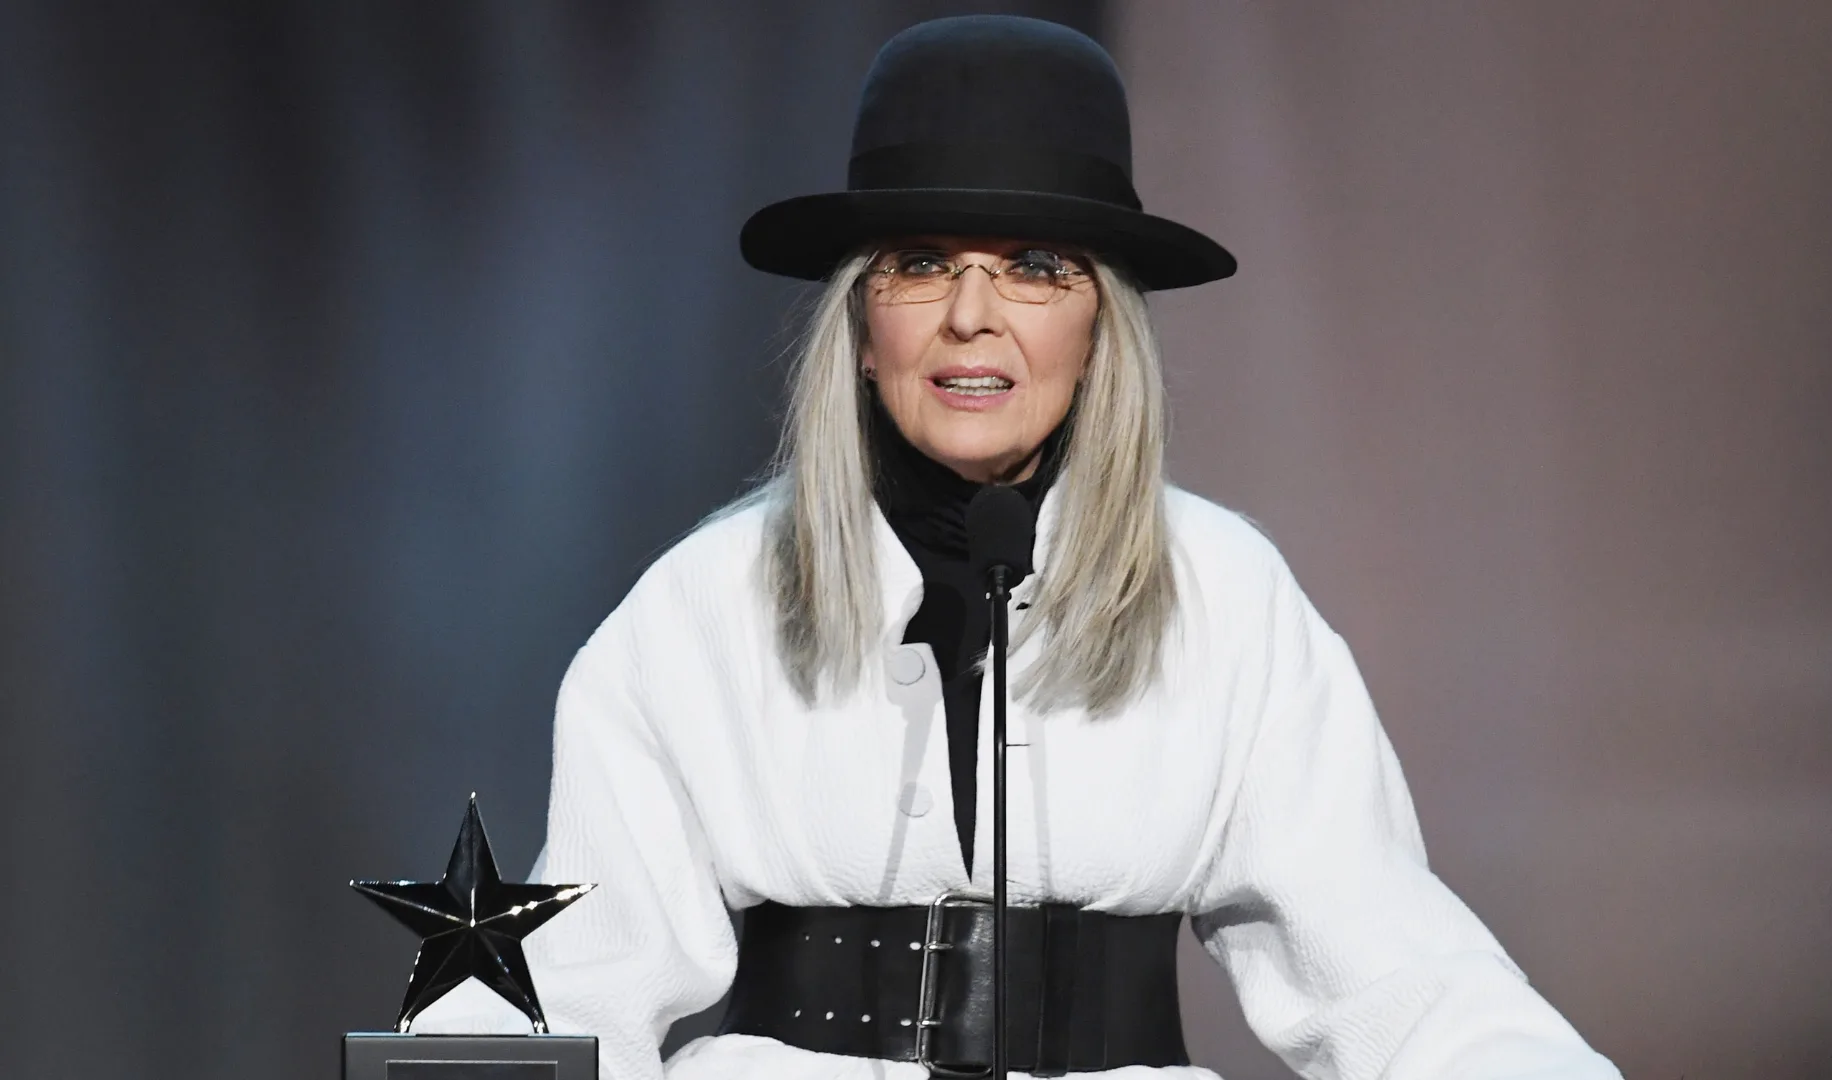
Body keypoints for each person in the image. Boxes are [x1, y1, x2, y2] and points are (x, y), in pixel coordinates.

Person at [416, 15, 1622, 1080]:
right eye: (923, 263)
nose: (970, 315)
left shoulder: (1225, 597)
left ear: (1102, 324)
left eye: (1035, 268)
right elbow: (577, 981)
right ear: (861, 317)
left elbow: (1391, 973)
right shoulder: (706, 601)